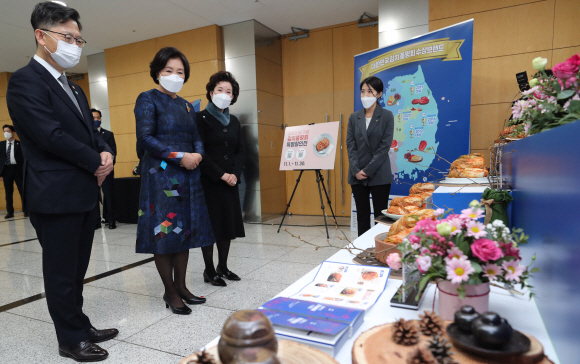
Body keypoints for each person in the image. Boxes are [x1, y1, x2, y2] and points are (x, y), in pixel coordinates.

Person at [5, 2, 117, 362]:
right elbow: (48, 136)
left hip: (83, 191)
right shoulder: (25, 81)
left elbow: (91, 131)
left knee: (77, 267)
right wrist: (94, 161)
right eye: (68, 37)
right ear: (42, 36)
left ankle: (79, 325)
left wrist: (104, 153)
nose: (75, 44)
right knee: (60, 271)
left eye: (79, 39)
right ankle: (70, 339)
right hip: (54, 194)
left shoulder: (74, 87)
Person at [135, 47, 214, 315]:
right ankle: (169, 291)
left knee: (184, 232)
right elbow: (145, 138)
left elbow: (197, 137)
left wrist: (198, 155)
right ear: (157, 72)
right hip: (162, 175)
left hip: (188, 174)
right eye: (169, 70)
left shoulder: (186, 105)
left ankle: (181, 286)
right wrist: (179, 156)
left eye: (180, 71)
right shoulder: (147, 99)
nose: (174, 75)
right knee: (165, 232)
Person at [197, 71, 245, 287]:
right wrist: (221, 174)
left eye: (229, 91)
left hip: (230, 182)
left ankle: (222, 266)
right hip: (209, 181)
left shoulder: (234, 121)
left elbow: (240, 151)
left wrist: (235, 173)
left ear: (233, 97)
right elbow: (199, 151)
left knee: (227, 226)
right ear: (211, 92)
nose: (225, 94)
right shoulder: (200, 118)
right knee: (210, 227)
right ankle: (208, 270)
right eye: (220, 90)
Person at [346, 76, 394, 236]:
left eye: (370, 91)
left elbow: (384, 147)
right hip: (357, 174)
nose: (365, 95)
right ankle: (362, 249)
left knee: (380, 217)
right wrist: (355, 169)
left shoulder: (387, 116)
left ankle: (379, 249)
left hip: (379, 173)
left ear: (379, 94)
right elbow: (350, 145)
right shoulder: (354, 117)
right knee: (362, 216)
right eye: (363, 91)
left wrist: (368, 170)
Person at [92, 109, 117, 230]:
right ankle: (96, 221)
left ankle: (111, 220)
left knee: (109, 195)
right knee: (94, 196)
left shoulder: (108, 134)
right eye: (93, 118)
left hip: (106, 170)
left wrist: (105, 165)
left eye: (98, 118)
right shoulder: (86, 135)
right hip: (91, 170)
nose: (96, 120)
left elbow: (113, 152)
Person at [0, 125, 27, 219]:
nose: (5, 133)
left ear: (13, 132)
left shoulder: (20, 144)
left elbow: (24, 159)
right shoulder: (1, 144)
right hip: (7, 170)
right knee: (8, 192)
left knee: (22, 191)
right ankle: (10, 212)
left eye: (8, 131)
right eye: (4, 131)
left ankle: (26, 211)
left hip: (18, 170)